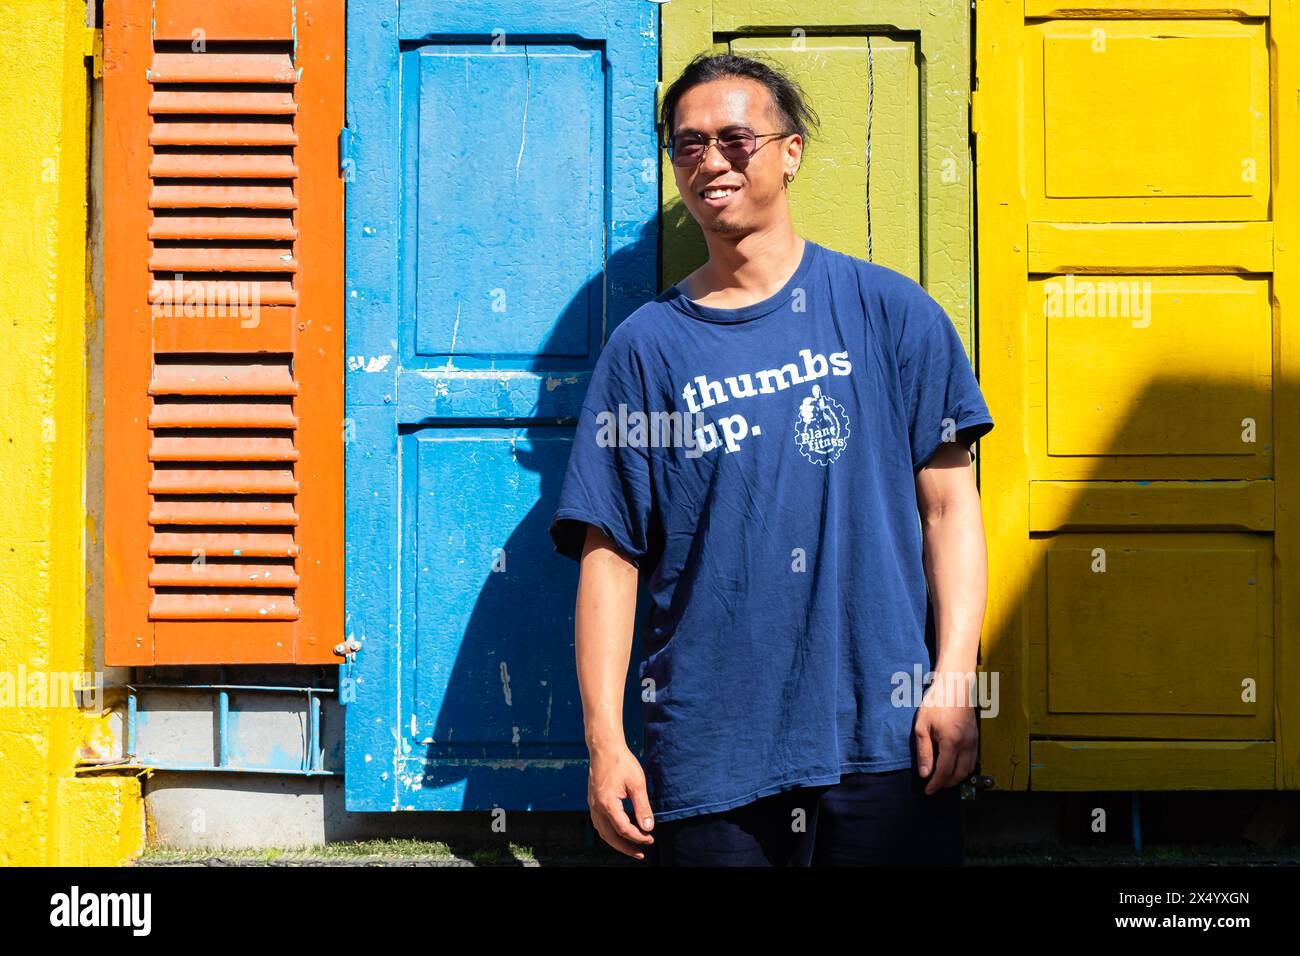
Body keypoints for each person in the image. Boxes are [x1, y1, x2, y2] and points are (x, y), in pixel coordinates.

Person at [548, 52, 994, 866]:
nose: (710, 160)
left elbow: (950, 509)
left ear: (790, 152)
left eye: (734, 138)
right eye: (687, 145)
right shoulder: (646, 349)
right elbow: (609, 556)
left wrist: (956, 680)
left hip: (886, 740)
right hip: (713, 753)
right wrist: (606, 744)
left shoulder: (892, 313)